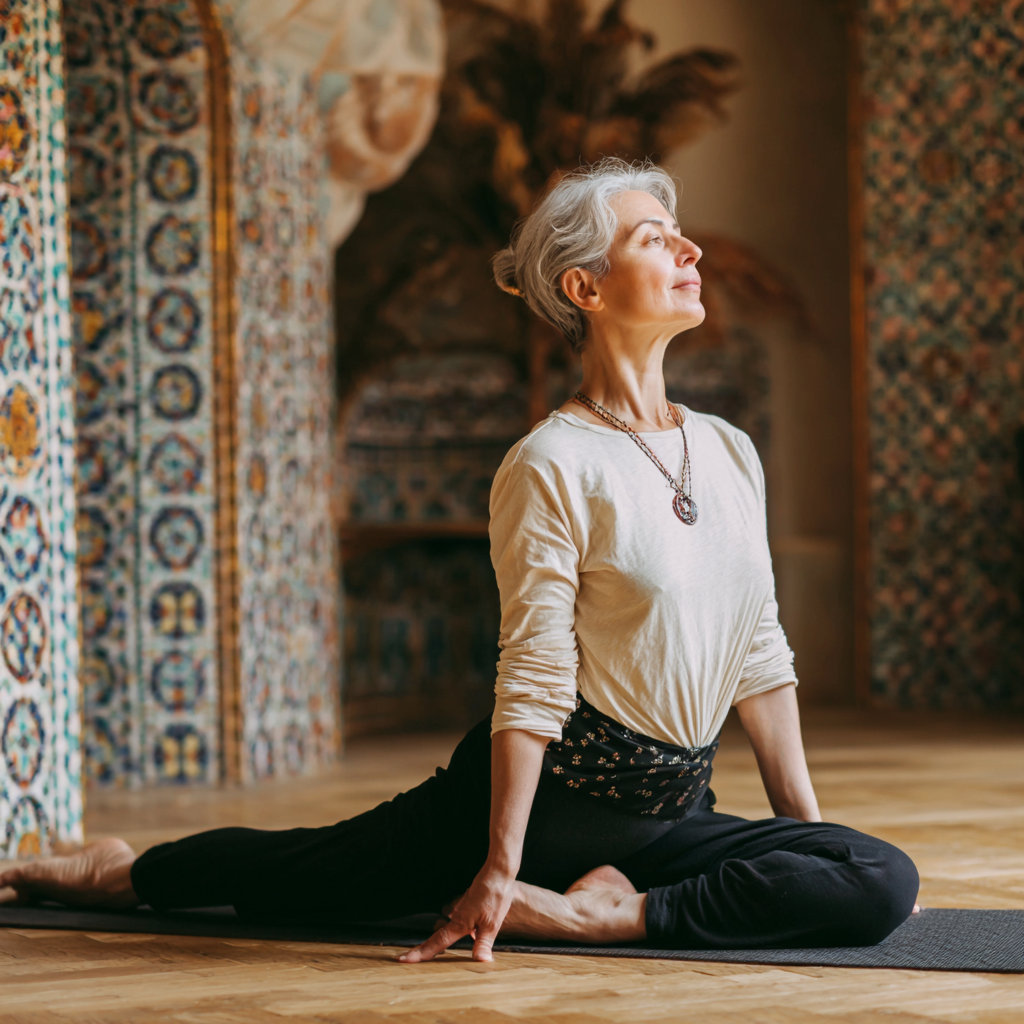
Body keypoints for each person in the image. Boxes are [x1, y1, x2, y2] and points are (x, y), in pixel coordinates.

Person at [0, 159, 918, 962]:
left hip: (672, 813)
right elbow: (534, 674)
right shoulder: (550, 462)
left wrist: (810, 844)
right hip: (551, 806)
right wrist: (499, 866)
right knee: (298, 875)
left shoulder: (727, 450)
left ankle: (606, 914)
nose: (692, 253)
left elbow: (758, 647)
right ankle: (123, 870)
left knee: (879, 878)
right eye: (657, 239)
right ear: (586, 288)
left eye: (684, 236)